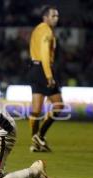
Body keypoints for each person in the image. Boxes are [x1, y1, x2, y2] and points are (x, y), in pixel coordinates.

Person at [28, 5, 64, 152]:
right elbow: (44, 54)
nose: (56, 18)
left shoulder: (37, 29)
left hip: (33, 69)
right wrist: (49, 76)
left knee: (36, 110)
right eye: (53, 16)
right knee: (58, 105)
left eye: (57, 16)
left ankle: (35, 142)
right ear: (45, 17)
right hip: (43, 69)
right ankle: (40, 136)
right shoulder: (47, 31)